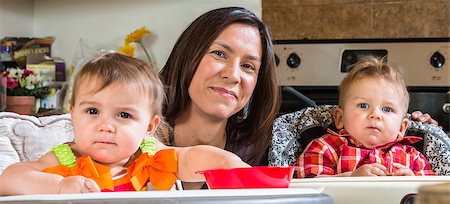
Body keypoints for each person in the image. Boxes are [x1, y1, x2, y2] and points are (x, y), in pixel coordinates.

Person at [0, 53, 250, 195]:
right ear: (73, 114)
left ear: (149, 127)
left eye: (123, 115)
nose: (106, 125)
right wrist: (59, 186)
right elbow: (10, 178)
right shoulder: (66, 160)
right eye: (92, 111)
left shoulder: (150, 156)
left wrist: (229, 163)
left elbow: (191, 157)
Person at [157, 7, 281, 189]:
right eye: (220, 54)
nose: (232, 75)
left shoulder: (265, 152)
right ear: (188, 56)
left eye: (248, 66)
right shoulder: (133, 133)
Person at [297, 56, 435, 178]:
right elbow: (310, 188)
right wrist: (351, 178)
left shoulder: (414, 158)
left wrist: (413, 183)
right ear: (339, 118)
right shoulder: (326, 148)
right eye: (363, 105)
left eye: (387, 109)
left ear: (401, 127)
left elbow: (432, 195)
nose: (375, 114)